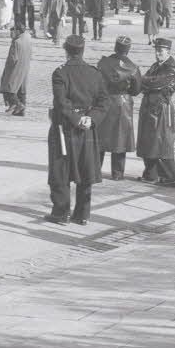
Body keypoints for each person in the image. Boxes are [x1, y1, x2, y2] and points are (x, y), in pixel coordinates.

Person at [46, 35, 107, 225]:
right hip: (87, 128)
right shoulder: (94, 73)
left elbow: (61, 102)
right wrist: (91, 119)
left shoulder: (60, 73)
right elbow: (103, 102)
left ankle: (61, 213)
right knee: (85, 169)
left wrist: (76, 119)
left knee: (60, 170)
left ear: (66, 51)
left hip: (64, 128)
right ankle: (82, 214)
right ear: (82, 51)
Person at [137, 35, 175, 186]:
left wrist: (143, 80)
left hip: (161, 108)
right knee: (149, 141)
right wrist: (144, 82)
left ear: (168, 51)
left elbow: (155, 83)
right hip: (151, 106)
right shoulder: (156, 66)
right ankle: (151, 174)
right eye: (156, 50)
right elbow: (146, 82)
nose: (157, 53)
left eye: (160, 51)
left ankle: (169, 177)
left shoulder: (170, 68)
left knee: (162, 142)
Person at [95, 36, 140, 180]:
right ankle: (117, 173)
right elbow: (136, 89)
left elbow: (96, 83)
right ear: (128, 50)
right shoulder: (132, 67)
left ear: (115, 47)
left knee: (100, 137)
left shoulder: (103, 63)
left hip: (104, 101)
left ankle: (96, 170)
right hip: (122, 103)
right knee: (120, 137)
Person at [0, 25, 32, 116]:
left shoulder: (16, 42)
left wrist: (7, 70)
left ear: (17, 31)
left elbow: (12, 58)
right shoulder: (28, 39)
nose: (11, 34)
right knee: (21, 90)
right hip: (25, 67)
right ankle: (21, 112)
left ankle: (18, 105)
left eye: (12, 31)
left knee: (8, 88)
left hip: (15, 68)